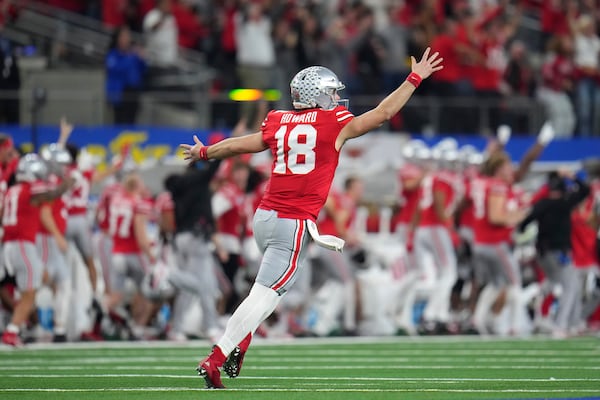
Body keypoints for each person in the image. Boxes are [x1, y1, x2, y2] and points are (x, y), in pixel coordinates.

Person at [181, 47, 443, 389]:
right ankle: (218, 356)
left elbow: (238, 146)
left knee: (267, 292)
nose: (337, 98)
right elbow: (382, 113)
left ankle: (240, 341)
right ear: (317, 93)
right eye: (332, 92)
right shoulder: (332, 122)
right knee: (265, 294)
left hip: (265, 218)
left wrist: (204, 152)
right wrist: (414, 78)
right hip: (293, 222)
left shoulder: (278, 119)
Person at [519, 170, 590, 337]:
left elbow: (523, 225)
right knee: (571, 287)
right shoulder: (564, 203)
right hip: (559, 252)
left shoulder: (541, 204)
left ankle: (537, 314)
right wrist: (571, 176)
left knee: (550, 283)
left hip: (542, 253)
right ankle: (562, 325)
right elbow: (585, 190)